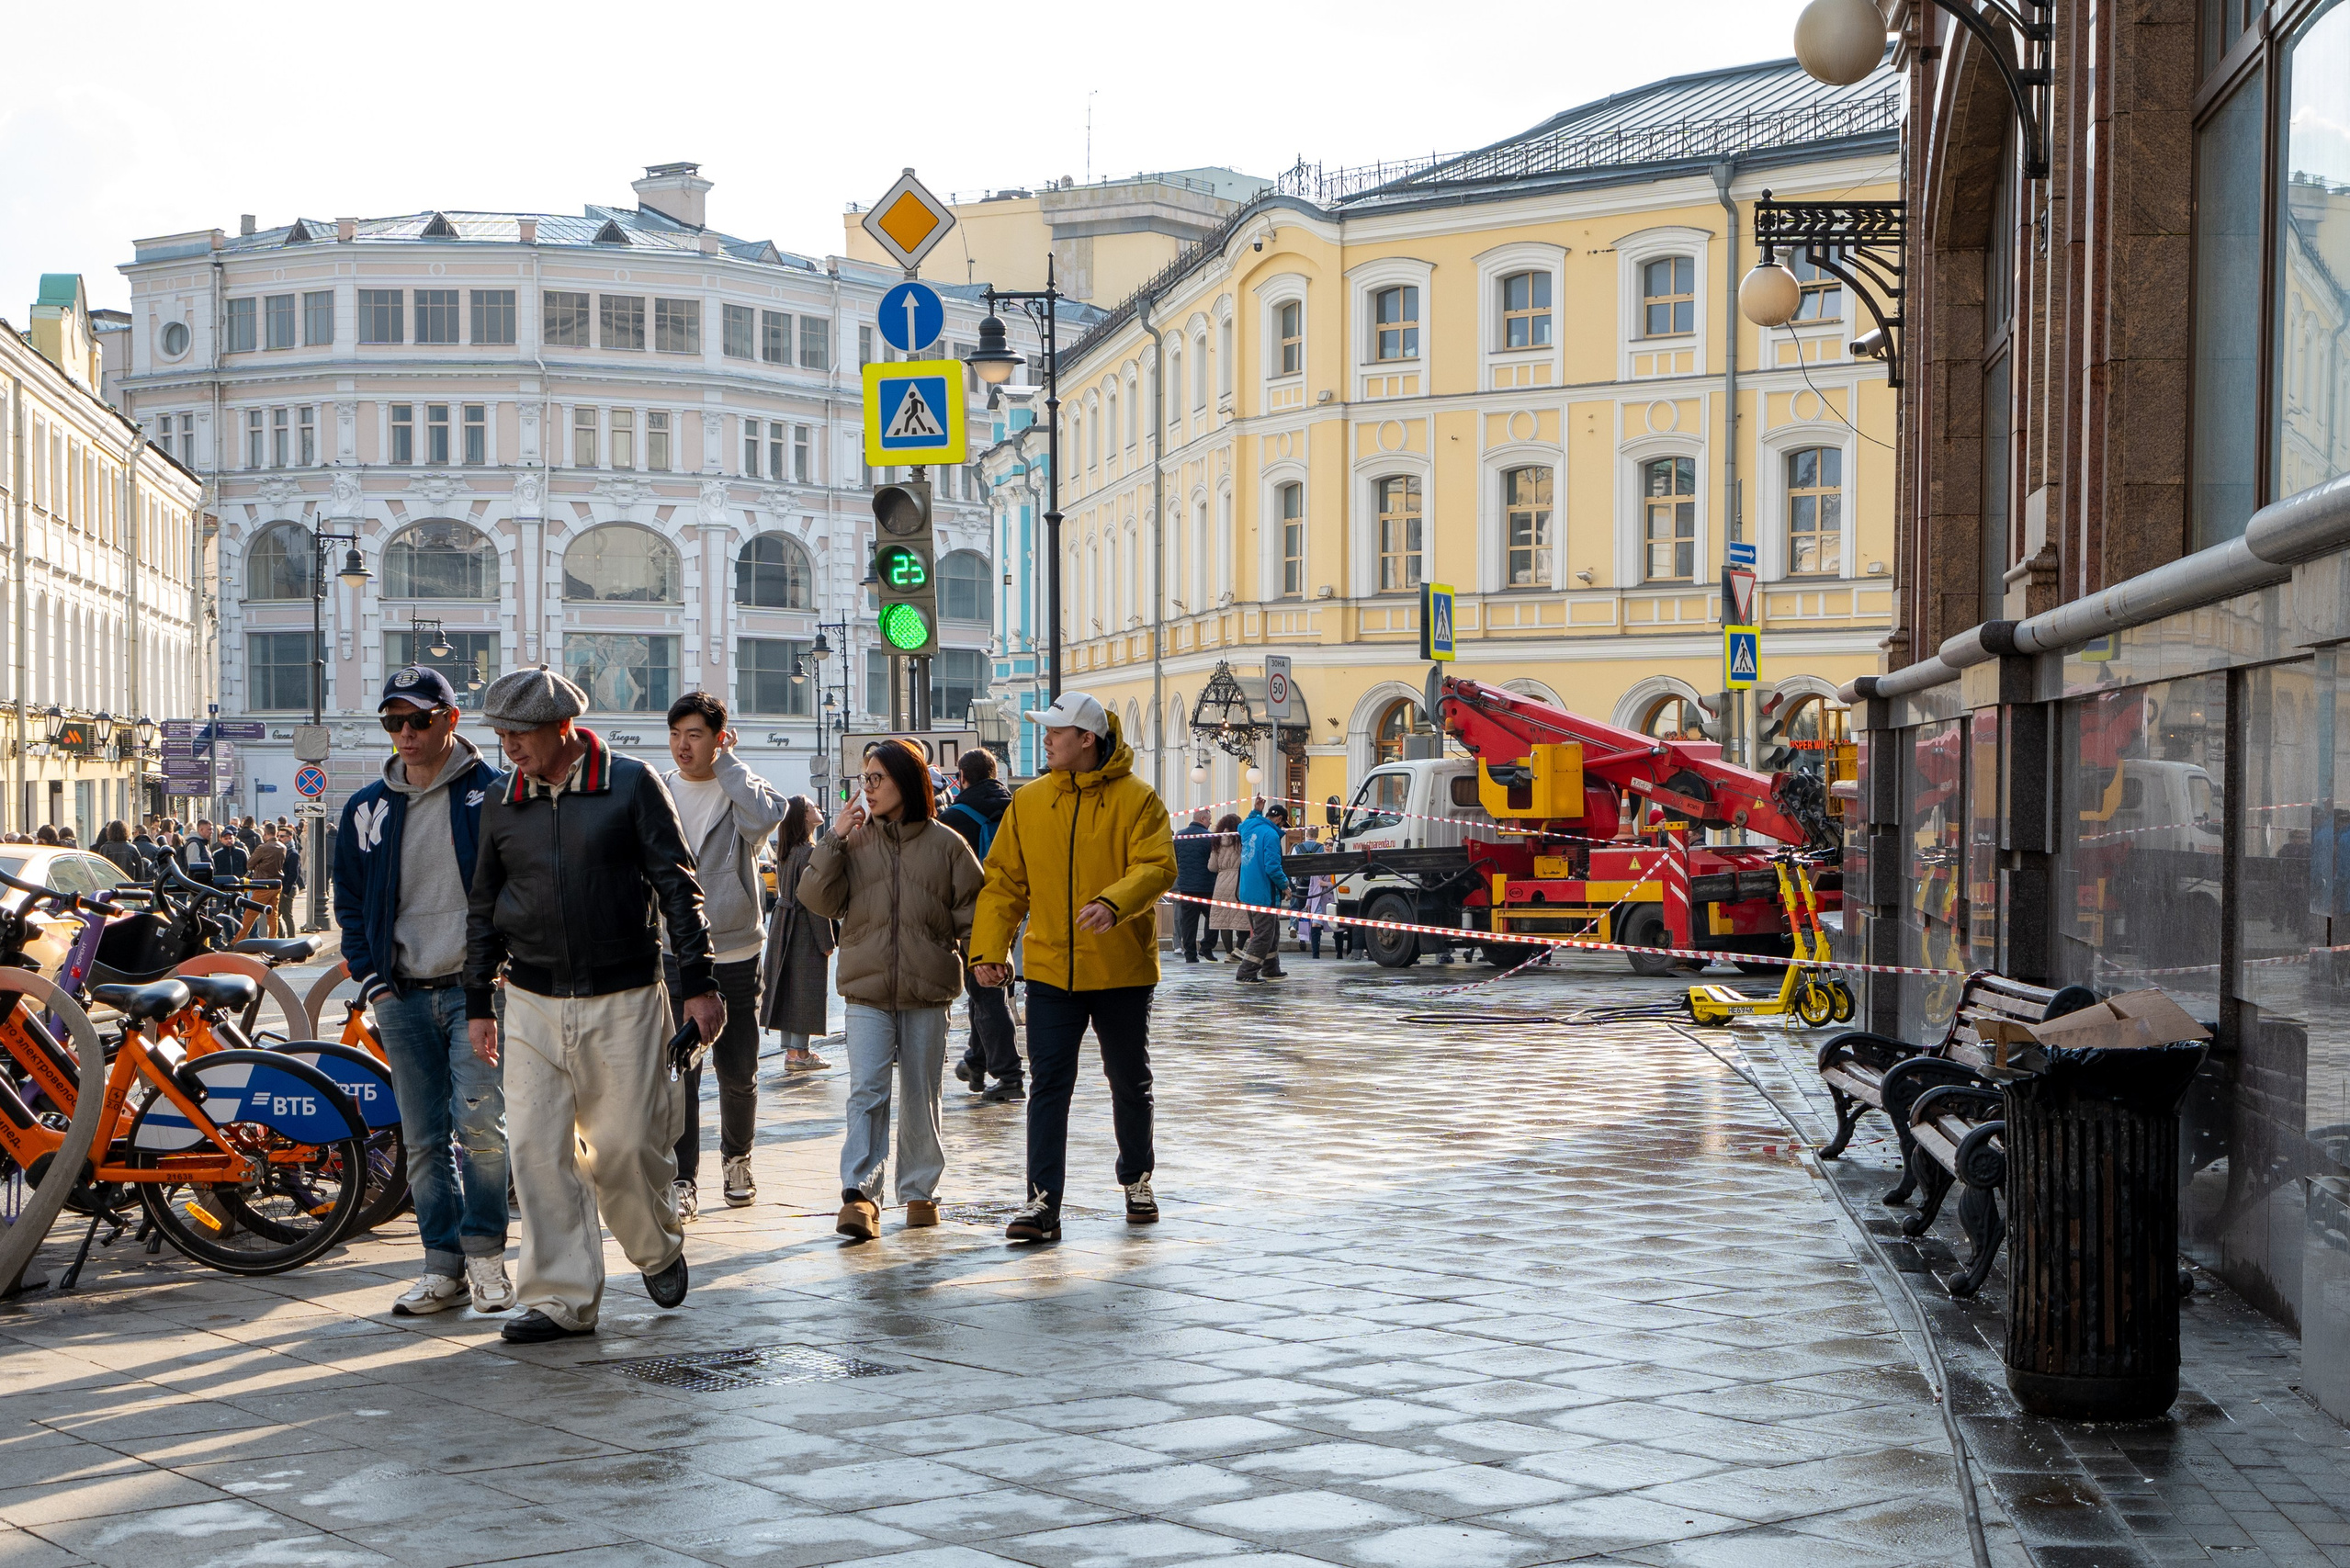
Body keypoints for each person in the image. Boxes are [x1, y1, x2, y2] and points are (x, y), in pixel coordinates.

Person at [462, 667, 721, 1343]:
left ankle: (657, 1243)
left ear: (562, 728)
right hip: (530, 996)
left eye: (519, 733)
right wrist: (478, 999)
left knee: (627, 1146)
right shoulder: (501, 798)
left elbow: (678, 887)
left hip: (626, 995)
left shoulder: (631, 783)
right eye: (501, 734)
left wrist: (700, 982)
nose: (509, 746)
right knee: (535, 1149)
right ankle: (560, 1296)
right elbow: (485, 902)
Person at [335, 665, 514, 1316]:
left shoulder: (491, 794)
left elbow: (511, 890)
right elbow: (350, 903)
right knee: (422, 1137)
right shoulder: (366, 809)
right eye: (393, 722)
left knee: (483, 1131)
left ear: (450, 720)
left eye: (417, 720)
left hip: (476, 995)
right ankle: (442, 1267)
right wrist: (375, 981)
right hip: (402, 995)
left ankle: (489, 1257)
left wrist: (496, 972)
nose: (405, 734)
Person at [969, 692, 1176, 1243]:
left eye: (1057, 731)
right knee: (1048, 1085)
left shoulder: (1139, 799)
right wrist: (989, 950)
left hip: (1122, 969)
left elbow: (1157, 866)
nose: (1048, 738)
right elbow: (1005, 883)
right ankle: (1041, 1203)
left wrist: (1114, 902)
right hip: (1050, 970)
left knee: (1129, 1080)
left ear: (1087, 739)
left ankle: (1137, 1180)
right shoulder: (1030, 802)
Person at [797, 738, 983, 1241]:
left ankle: (920, 1192)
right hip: (866, 989)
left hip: (928, 987)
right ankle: (860, 1195)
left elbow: (973, 914)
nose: (869, 789)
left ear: (908, 781)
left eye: (878, 779)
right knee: (867, 1091)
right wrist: (832, 839)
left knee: (922, 1094)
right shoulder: (853, 842)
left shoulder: (948, 845)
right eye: (865, 780)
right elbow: (815, 898)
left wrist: (988, 960)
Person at [661, 691, 788, 1220]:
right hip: (671, 949)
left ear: (719, 737)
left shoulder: (739, 790)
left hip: (734, 949)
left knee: (738, 1069)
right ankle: (683, 1178)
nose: (683, 746)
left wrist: (729, 764)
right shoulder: (659, 790)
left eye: (695, 734)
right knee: (680, 1069)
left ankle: (737, 1160)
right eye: (676, 734)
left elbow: (769, 815)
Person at [943, 748, 1022, 1101]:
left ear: (963, 777)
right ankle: (976, 1061)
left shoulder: (954, 817)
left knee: (987, 993)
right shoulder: (1017, 809)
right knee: (988, 986)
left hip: (973, 914)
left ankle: (1009, 1076)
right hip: (1013, 909)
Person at [757, 795, 832, 1074]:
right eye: (813, 808)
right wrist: (826, 940)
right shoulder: (809, 852)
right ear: (803, 817)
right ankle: (801, 1053)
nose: (819, 810)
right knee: (804, 986)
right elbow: (814, 900)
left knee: (788, 984)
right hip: (801, 925)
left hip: (782, 921)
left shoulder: (789, 851)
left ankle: (792, 1050)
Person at [1234, 802, 1292, 983]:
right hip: (1263, 893)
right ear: (1279, 819)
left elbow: (1242, 825)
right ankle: (1246, 971)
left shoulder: (1249, 828)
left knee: (1272, 931)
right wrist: (1285, 885)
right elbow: (1272, 867)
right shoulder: (1271, 835)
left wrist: (1255, 811)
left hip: (1247, 891)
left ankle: (1271, 968)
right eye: (1283, 824)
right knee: (1263, 934)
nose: (1282, 828)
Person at [1171, 808, 1218, 962]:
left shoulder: (1179, 836)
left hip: (1186, 886)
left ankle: (1190, 954)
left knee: (1189, 922)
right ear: (1203, 819)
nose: (1211, 822)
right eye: (1209, 819)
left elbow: (1176, 858)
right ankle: (1206, 947)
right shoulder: (1210, 838)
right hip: (1206, 886)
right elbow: (1213, 862)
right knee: (1213, 918)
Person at [1206, 814, 1246, 957]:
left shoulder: (1217, 842)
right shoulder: (1242, 840)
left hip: (1221, 881)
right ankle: (1238, 949)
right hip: (1239, 881)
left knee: (1224, 920)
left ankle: (1228, 953)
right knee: (1243, 918)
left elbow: (1212, 867)